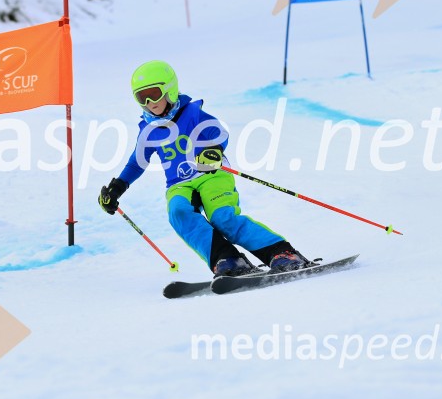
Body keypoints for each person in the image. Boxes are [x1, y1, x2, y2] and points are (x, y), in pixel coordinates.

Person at [98, 60, 317, 277]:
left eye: (154, 94)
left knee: (223, 217)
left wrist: (213, 150)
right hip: (178, 184)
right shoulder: (147, 130)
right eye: (141, 97)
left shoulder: (191, 114)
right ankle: (228, 259)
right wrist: (117, 188)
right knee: (178, 212)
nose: (149, 102)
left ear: (169, 90)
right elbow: (136, 163)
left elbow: (219, 132)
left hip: (211, 173)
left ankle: (281, 253)